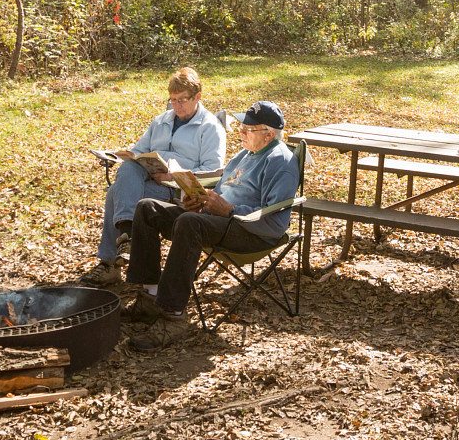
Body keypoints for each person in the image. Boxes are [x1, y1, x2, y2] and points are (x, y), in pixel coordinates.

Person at [124, 101, 300, 349]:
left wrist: (230, 210)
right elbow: (223, 191)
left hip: (250, 232)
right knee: (147, 208)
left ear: (269, 134)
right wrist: (200, 200)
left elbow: (275, 222)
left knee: (189, 223)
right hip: (219, 219)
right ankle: (150, 297)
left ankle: (173, 316)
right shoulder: (245, 154)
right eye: (241, 127)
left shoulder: (280, 162)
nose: (241, 132)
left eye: (248, 129)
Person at [81, 67, 226, 287]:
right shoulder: (161, 121)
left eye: (182, 100)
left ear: (197, 97)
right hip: (146, 179)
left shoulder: (210, 128)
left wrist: (172, 176)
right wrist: (131, 156)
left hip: (178, 191)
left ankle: (112, 260)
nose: (176, 106)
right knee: (128, 169)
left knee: (114, 192)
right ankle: (127, 238)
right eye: (173, 99)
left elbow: (212, 172)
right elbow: (139, 150)